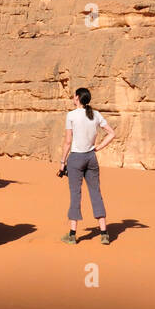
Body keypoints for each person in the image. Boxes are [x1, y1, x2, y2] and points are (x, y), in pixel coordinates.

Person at [59, 87, 116, 245]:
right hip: (91, 158)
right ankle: (104, 233)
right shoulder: (96, 114)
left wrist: (62, 163)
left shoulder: (71, 115)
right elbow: (112, 133)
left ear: (77, 97)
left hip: (76, 158)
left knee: (76, 195)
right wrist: (98, 147)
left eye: (73, 95)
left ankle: (72, 235)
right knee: (96, 193)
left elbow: (68, 142)